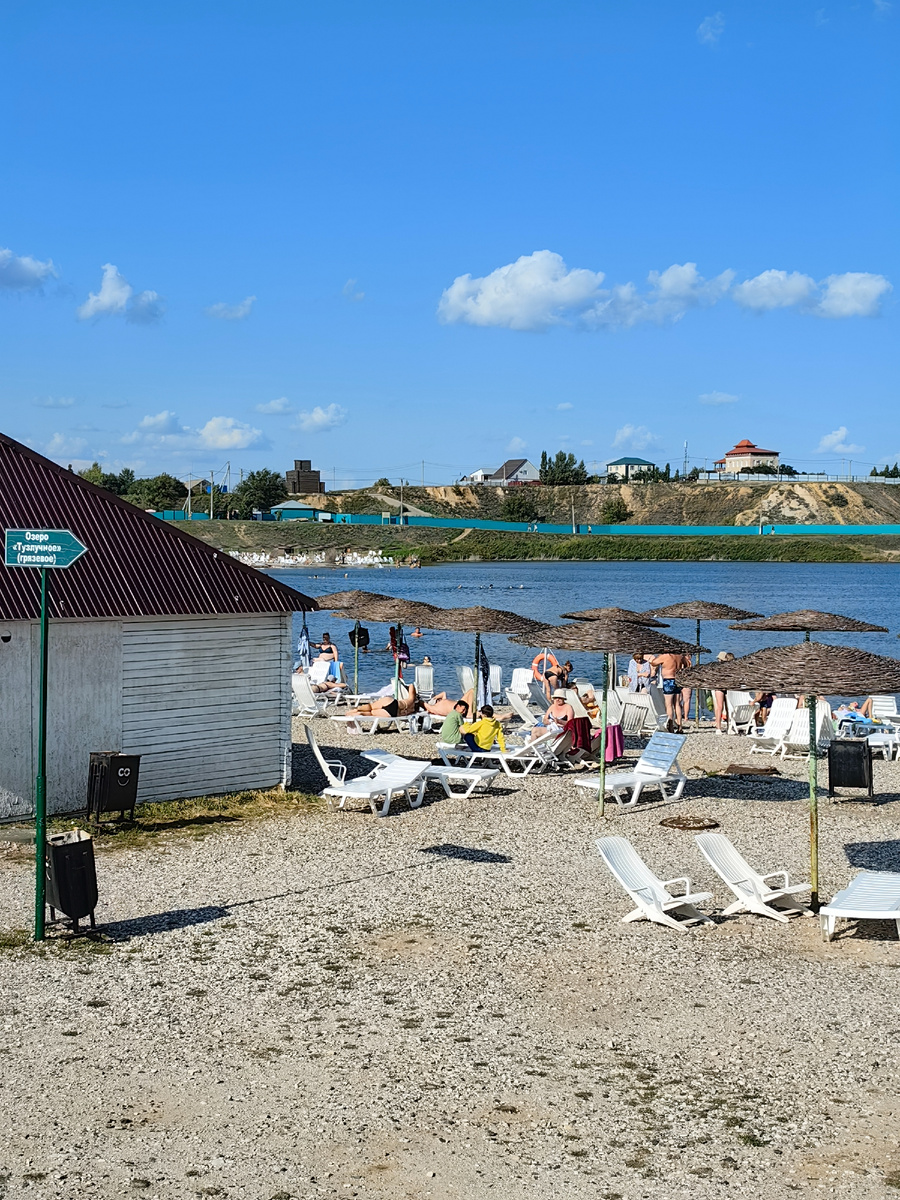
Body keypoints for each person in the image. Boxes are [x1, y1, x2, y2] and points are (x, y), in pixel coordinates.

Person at [649, 651, 691, 732]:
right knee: (677, 704)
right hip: (677, 679)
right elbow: (688, 664)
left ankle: (671, 727)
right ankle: (680, 726)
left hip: (668, 680)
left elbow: (654, 663)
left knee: (669, 705)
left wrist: (654, 658)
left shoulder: (665, 656)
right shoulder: (679, 655)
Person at [712, 651, 734, 733]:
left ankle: (725, 727)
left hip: (722, 687)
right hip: (720, 687)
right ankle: (719, 727)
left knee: (725, 707)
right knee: (720, 707)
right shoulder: (721, 668)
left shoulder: (726, 668)